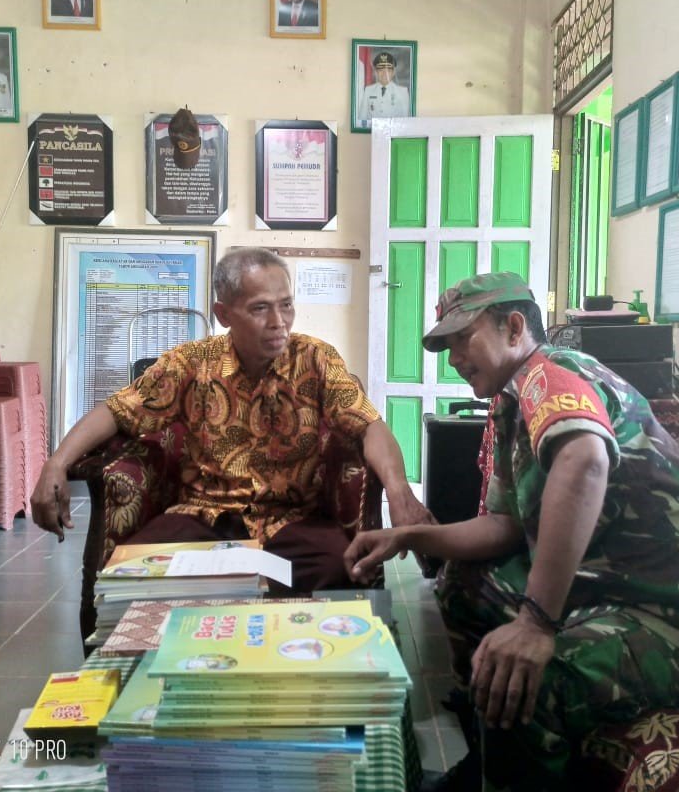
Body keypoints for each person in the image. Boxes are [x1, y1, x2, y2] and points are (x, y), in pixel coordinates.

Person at [345, 272, 679, 791]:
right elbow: (503, 525)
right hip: (620, 587)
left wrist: (536, 622)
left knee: (531, 676)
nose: (454, 359)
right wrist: (407, 537)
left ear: (514, 327)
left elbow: (584, 460)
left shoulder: (553, 372)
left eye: (463, 339)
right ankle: (489, 759)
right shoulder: (510, 403)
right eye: (447, 347)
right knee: (464, 584)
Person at [31, 247, 433, 592]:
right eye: (260, 308)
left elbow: (369, 425)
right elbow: (116, 410)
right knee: (134, 577)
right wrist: (57, 462)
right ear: (223, 314)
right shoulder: (190, 363)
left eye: (286, 305)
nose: (279, 322)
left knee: (341, 569)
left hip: (292, 522)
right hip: (203, 517)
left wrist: (399, 492)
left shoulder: (316, 359)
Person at [357, 51, 410, 128]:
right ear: (376, 72)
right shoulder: (368, 90)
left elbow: (405, 120)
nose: (384, 74)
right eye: (381, 70)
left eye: (388, 70)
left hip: (394, 132)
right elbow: (362, 118)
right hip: (371, 132)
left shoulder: (402, 92)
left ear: (393, 72)